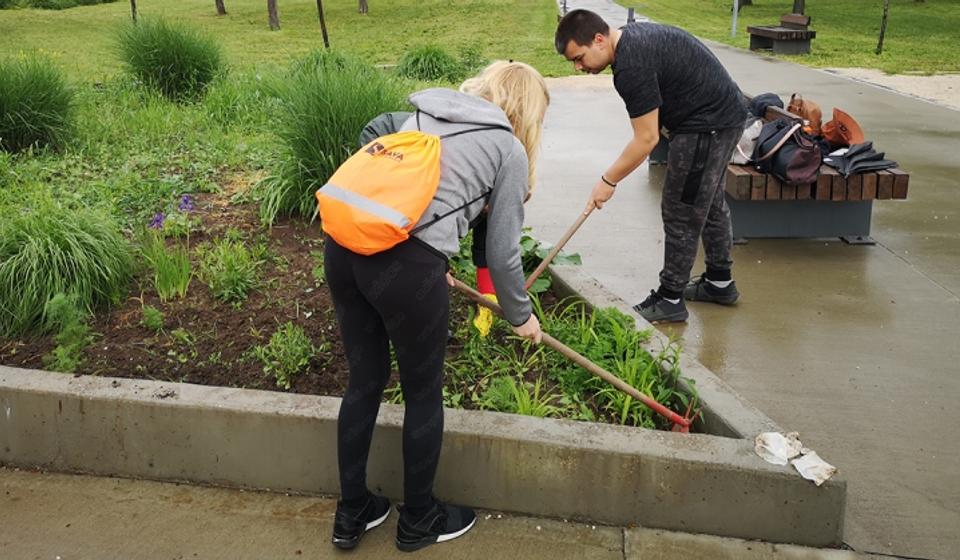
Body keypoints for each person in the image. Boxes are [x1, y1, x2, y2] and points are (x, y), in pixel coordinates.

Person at [324, 60, 548, 552]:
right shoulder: (507, 148)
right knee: (422, 393)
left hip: (343, 248)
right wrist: (521, 315)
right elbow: (503, 253)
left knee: (363, 382)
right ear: (529, 114)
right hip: (404, 269)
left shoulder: (422, 116)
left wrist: (432, 253)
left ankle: (351, 512)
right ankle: (419, 520)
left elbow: (391, 168)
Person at [554, 10, 748, 323]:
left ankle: (670, 299)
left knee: (681, 210)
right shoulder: (630, 42)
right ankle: (719, 283)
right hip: (724, 115)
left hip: (707, 125)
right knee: (708, 202)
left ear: (599, 39)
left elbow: (646, 139)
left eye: (579, 57)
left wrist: (608, 180)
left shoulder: (631, 65)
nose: (578, 66)